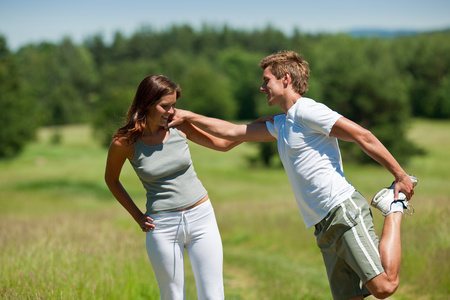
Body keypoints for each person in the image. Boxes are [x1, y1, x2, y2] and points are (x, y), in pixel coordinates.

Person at [167, 51, 417, 300]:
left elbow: (363, 135)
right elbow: (230, 133)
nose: (262, 86)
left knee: (384, 286)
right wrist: (186, 120)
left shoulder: (308, 111)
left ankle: (394, 206)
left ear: (285, 78)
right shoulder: (282, 124)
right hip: (322, 224)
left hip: (342, 209)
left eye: (267, 80)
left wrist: (400, 175)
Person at [104, 75, 240, 300]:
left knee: (213, 295)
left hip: (201, 218)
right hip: (163, 228)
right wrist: (138, 216)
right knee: (173, 296)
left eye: (173, 105)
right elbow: (111, 180)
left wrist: (255, 129)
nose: (171, 112)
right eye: (165, 106)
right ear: (146, 103)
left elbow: (223, 144)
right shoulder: (124, 142)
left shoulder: (180, 126)